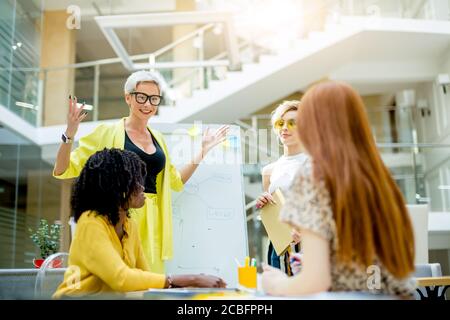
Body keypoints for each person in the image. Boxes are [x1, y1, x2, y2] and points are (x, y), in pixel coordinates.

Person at [53, 70, 229, 273]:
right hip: (120, 215)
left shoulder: (159, 139)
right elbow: (63, 169)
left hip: (153, 218)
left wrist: (203, 151)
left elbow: (175, 181)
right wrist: (69, 135)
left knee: (149, 281)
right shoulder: (107, 133)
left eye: (154, 99)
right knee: (120, 279)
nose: (148, 104)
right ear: (128, 98)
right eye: (142, 97)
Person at [262, 81, 416, 298]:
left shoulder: (314, 172)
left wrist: (275, 284)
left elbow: (315, 282)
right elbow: (370, 265)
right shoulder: (378, 175)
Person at [53, 149, 225, 298]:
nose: (142, 186)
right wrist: (191, 279)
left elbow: (144, 277)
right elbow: (121, 278)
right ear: (116, 186)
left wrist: (187, 286)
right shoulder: (91, 222)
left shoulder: (129, 225)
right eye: (135, 180)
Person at [255, 101, 307, 275]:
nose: (285, 128)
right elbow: (274, 212)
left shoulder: (317, 163)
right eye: (280, 123)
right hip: (279, 247)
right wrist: (264, 201)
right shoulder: (269, 170)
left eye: (292, 123)